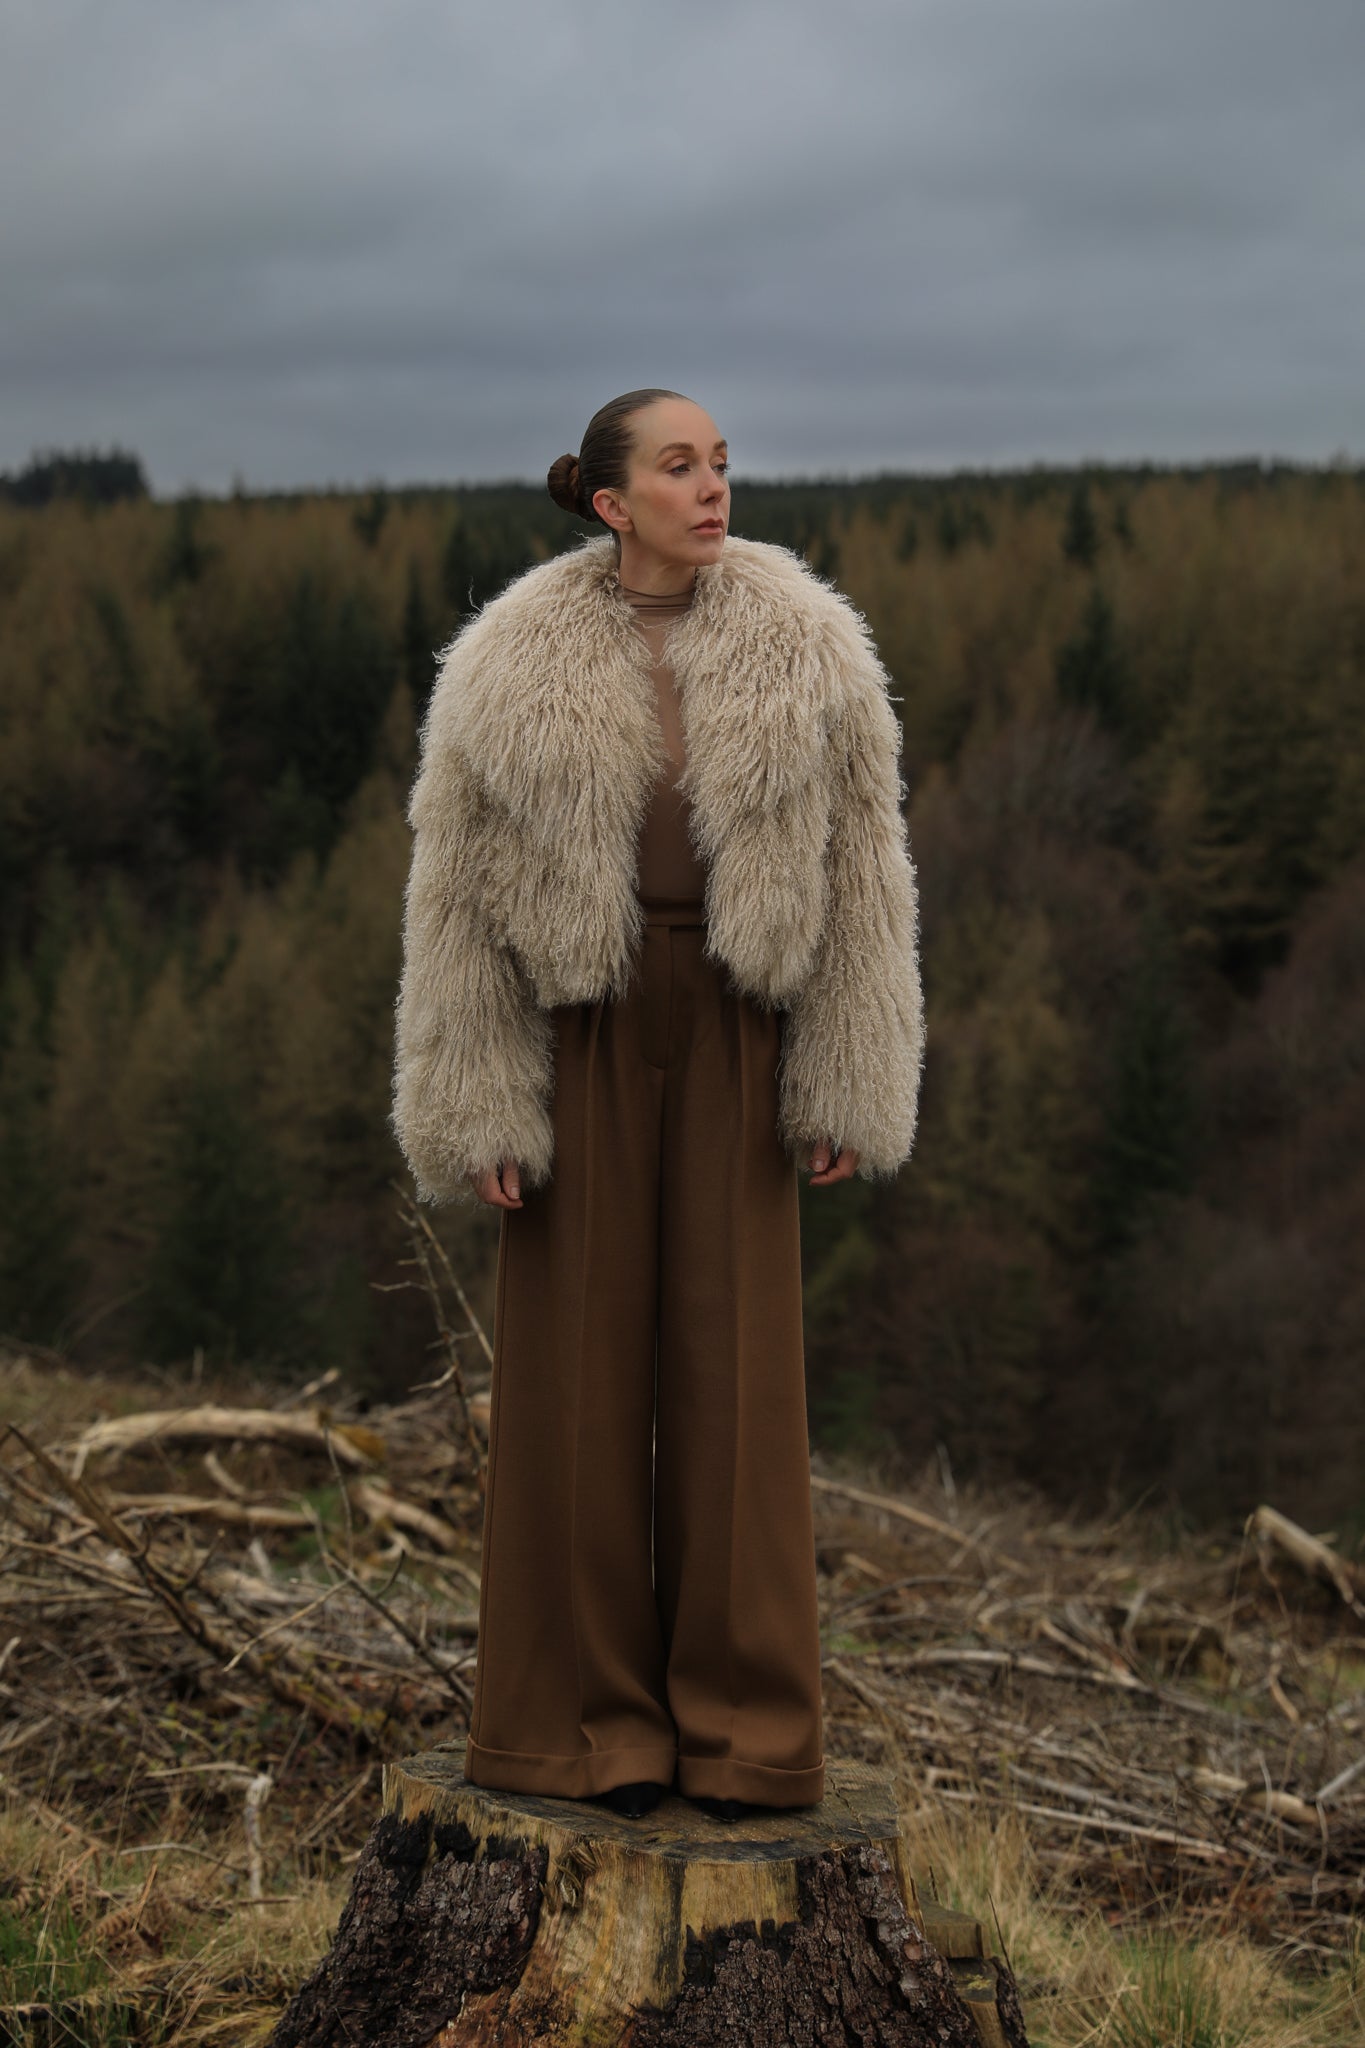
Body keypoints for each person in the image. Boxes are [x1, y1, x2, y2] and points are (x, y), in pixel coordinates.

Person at [391, 389, 924, 1824]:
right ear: (611, 500)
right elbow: (449, 897)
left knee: (733, 1379)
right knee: (573, 1381)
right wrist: (477, 1103)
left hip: (744, 1023)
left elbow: (868, 870)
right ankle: (576, 1734)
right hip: (579, 1028)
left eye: (723, 464)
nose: (713, 488)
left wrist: (846, 1074)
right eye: (679, 466)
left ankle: (743, 1738)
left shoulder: (809, 645)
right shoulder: (505, 660)